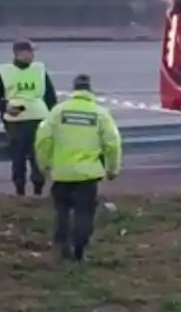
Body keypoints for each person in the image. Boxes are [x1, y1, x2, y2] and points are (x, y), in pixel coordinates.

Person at [34, 74, 122, 261]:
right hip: (87, 175)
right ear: (90, 90)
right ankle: (80, 250)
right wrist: (112, 169)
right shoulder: (99, 113)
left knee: (62, 211)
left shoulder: (58, 111)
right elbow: (112, 143)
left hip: (62, 173)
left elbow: (43, 139)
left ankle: (61, 246)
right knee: (84, 212)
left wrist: (44, 164)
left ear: (74, 90)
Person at [0, 40, 57, 196]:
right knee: (18, 159)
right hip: (16, 122)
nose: (32, 55)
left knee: (37, 158)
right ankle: (20, 191)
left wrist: (51, 117)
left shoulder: (39, 69)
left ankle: (38, 190)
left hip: (38, 120)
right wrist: (5, 106)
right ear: (19, 54)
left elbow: (50, 96)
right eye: (30, 52)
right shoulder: (5, 72)